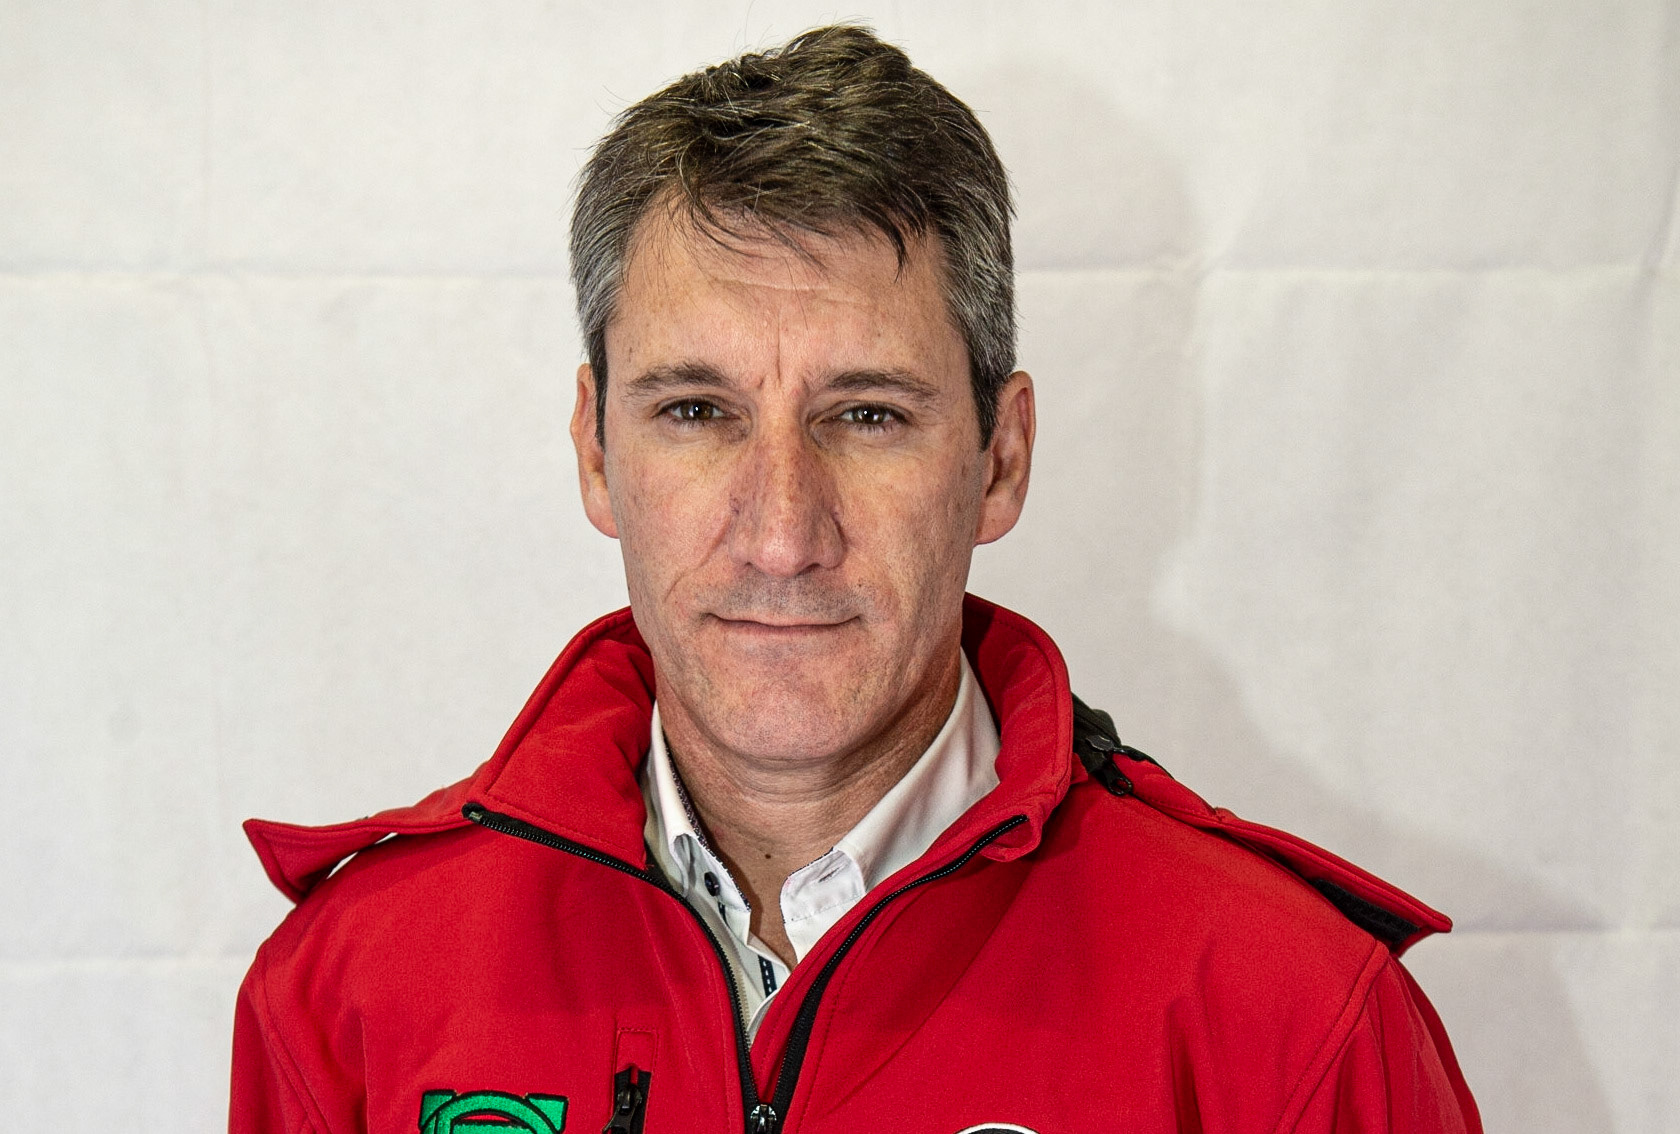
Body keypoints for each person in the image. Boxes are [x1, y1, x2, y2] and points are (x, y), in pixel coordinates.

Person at [230, 24, 1481, 1134]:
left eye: (869, 415)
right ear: (595, 449)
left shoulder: (1292, 1021)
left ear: (999, 459)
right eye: (697, 410)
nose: (782, 535)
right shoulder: (349, 995)